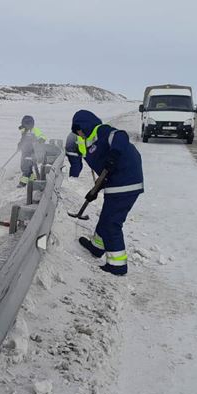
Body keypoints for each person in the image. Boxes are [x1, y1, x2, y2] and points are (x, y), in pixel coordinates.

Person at [69, 110, 144, 275]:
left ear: (85, 125)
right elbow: (105, 171)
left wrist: (114, 155)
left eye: (79, 129)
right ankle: (97, 247)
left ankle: (117, 266)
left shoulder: (102, 131)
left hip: (126, 182)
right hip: (117, 183)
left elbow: (121, 136)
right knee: (106, 217)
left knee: (111, 223)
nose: (79, 134)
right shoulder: (90, 145)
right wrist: (95, 190)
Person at [17, 115, 47, 188]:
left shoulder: (35, 130)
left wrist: (40, 140)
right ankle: (32, 179)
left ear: (31, 124)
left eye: (27, 124)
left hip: (33, 152)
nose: (25, 126)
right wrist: (19, 145)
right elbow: (23, 140)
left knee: (26, 167)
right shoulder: (24, 131)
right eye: (24, 124)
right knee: (23, 166)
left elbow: (43, 136)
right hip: (25, 152)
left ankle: (22, 183)